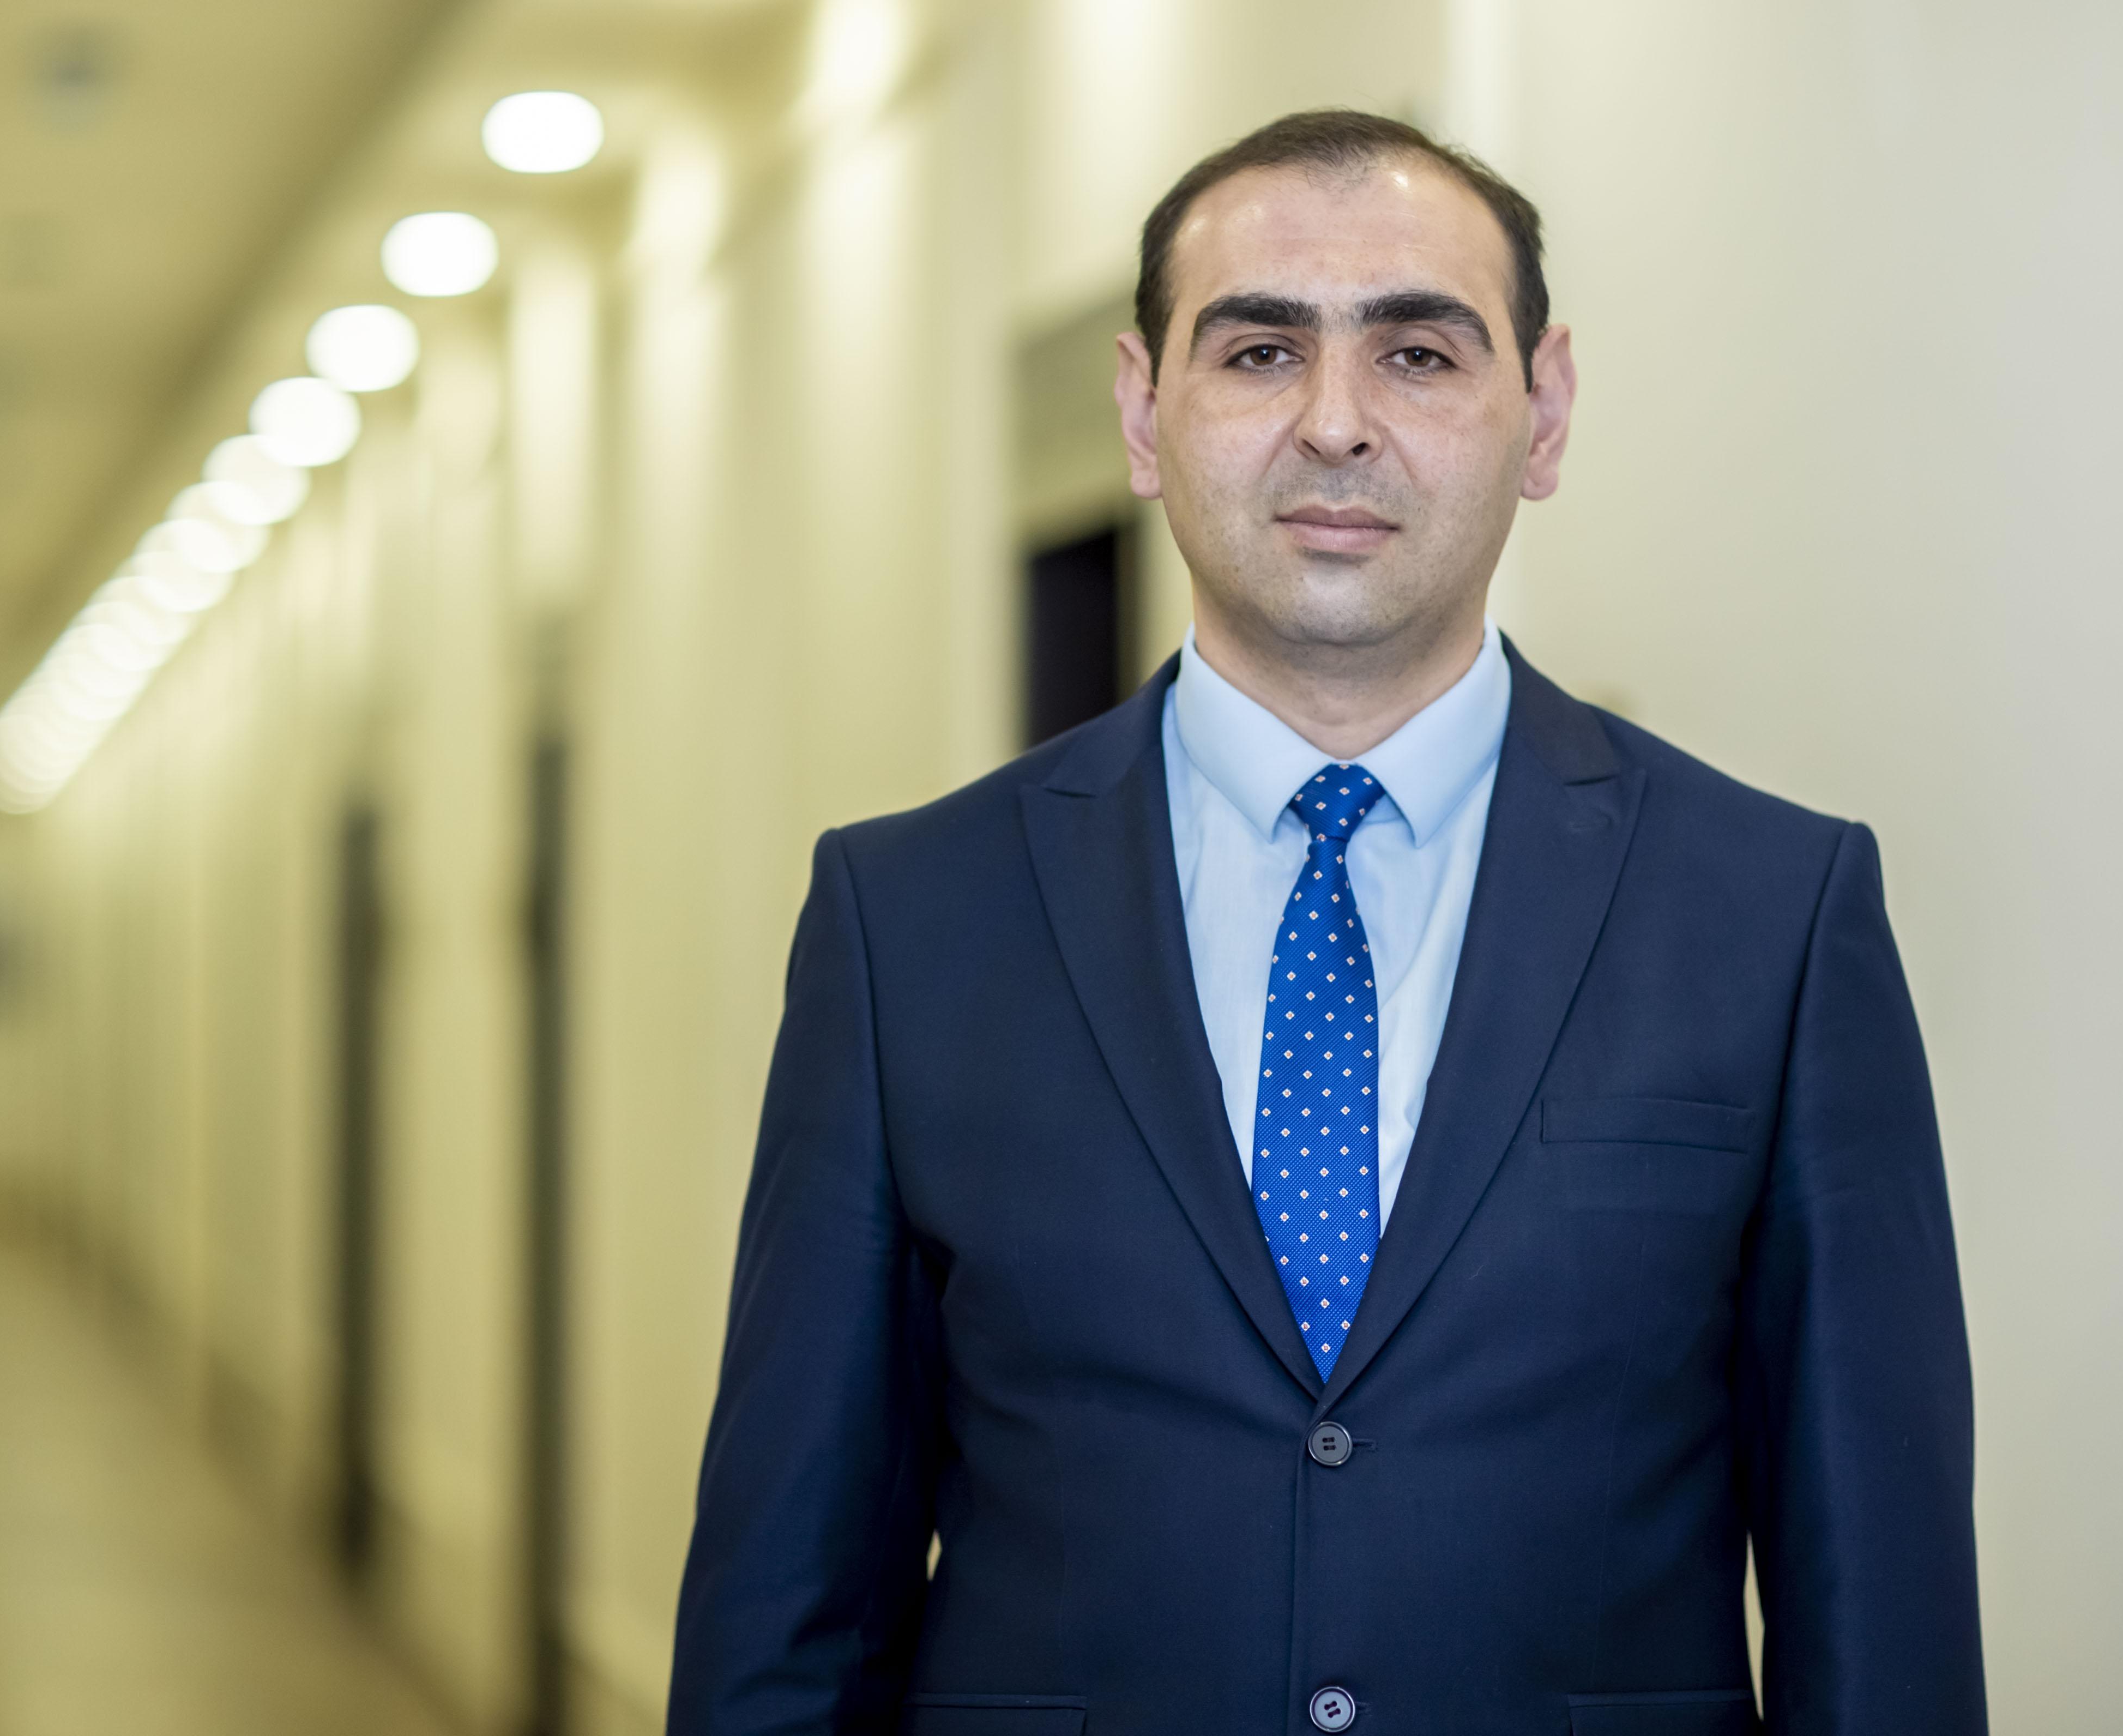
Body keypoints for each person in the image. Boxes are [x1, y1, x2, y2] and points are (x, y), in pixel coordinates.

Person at [667, 110, 1987, 1735]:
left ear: (1545, 412)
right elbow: (789, 1609)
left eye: (1419, 355)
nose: (1338, 425)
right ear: (1144, 411)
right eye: (1260, 353)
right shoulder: (909, 922)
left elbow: (1883, 1612)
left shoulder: (1773, 914)